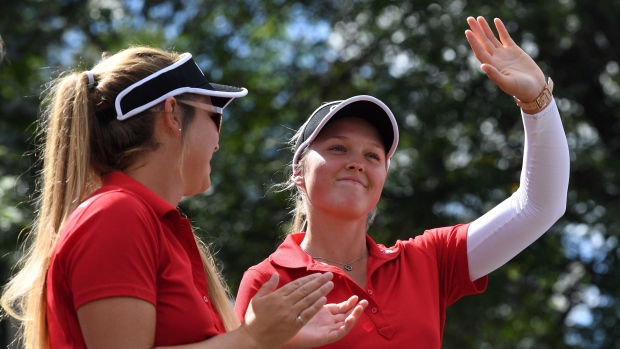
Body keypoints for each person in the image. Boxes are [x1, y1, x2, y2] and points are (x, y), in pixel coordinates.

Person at [235, 16, 570, 348]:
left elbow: (540, 205)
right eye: (338, 148)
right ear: (298, 172)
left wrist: (538, 102)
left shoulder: (427, 261)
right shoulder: (268, 281)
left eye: (373, 156)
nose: (356, 162)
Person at [0, 47, 367, 349]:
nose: (218, 141)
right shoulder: (116, 214)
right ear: (173, 114)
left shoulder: (145, 221)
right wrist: (252, 337)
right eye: (215, 116)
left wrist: (273, 338)